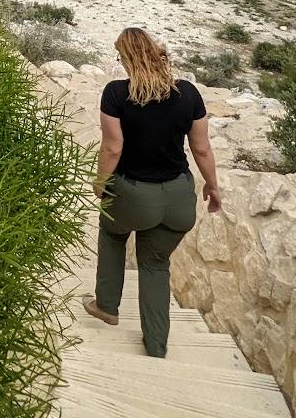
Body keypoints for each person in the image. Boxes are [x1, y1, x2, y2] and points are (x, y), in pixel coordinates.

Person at [82, 26, 222, 357]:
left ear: (128, 59)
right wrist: (213, 187)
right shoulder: (188, 93)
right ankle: (157, 345)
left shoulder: (116, 94)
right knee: (155, 264)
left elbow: (112, 148)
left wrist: (100, 183)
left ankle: (107, 305)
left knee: (112, 231)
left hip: (134, 194)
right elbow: (201, 149)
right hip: (178, 198)